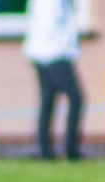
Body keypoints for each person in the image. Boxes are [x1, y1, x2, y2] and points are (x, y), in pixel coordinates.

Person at [24, 0, 83, 161]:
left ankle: (45, 150)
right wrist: (68, 45)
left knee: (48, 100)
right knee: (76, 98)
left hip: (43, 51)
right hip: (53, 52)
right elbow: (51, 23)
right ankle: (70, 149)